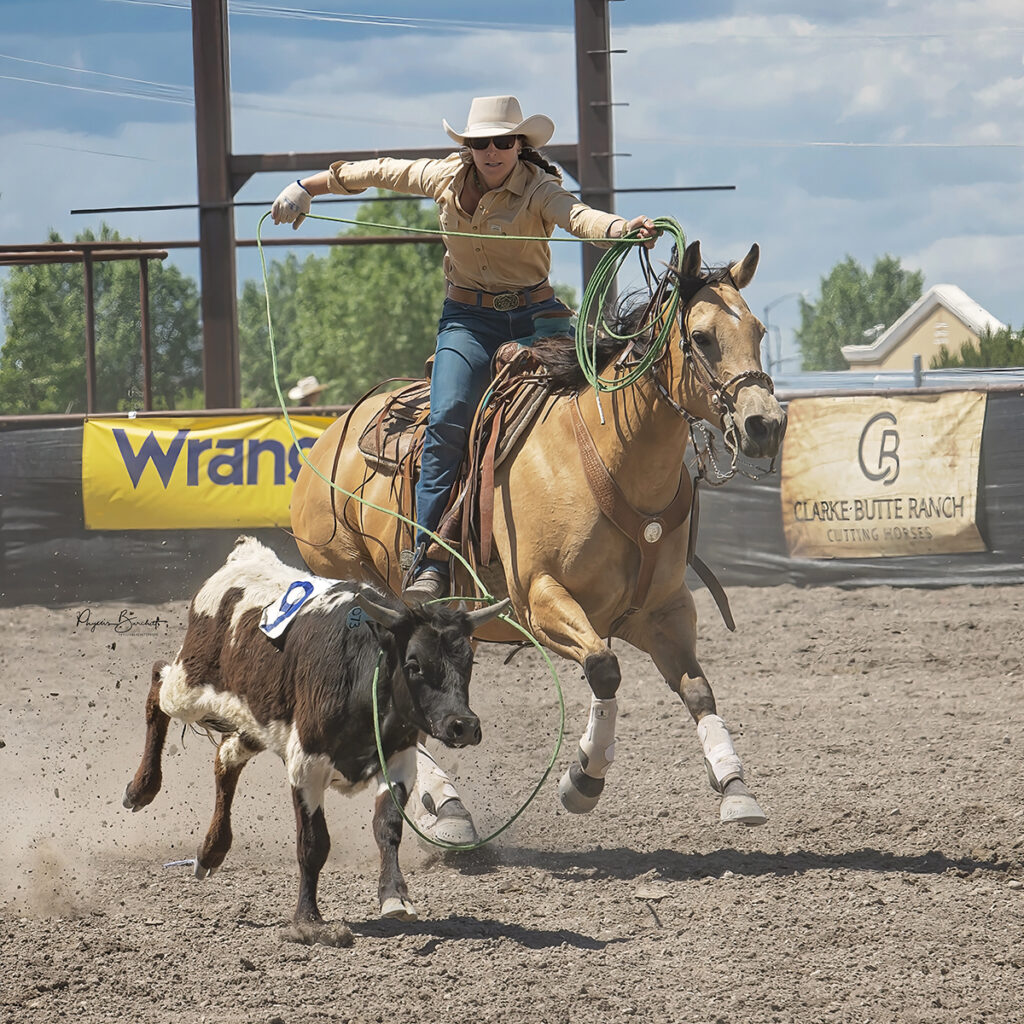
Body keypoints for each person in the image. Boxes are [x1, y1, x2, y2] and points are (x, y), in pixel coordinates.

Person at [272, 94, 658, 603]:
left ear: (519, 145)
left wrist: (621, 229)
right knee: (449, 413)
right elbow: (378, 170)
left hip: (536, 317)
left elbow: (578, 217)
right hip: (468, 321)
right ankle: (430, 555)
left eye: (502, 141)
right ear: (469, 147)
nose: (492, 150)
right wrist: (306, 187)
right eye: (481, 142)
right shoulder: (443, 177)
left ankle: (593, 535)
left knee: (581, 407)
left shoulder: (540, 189)